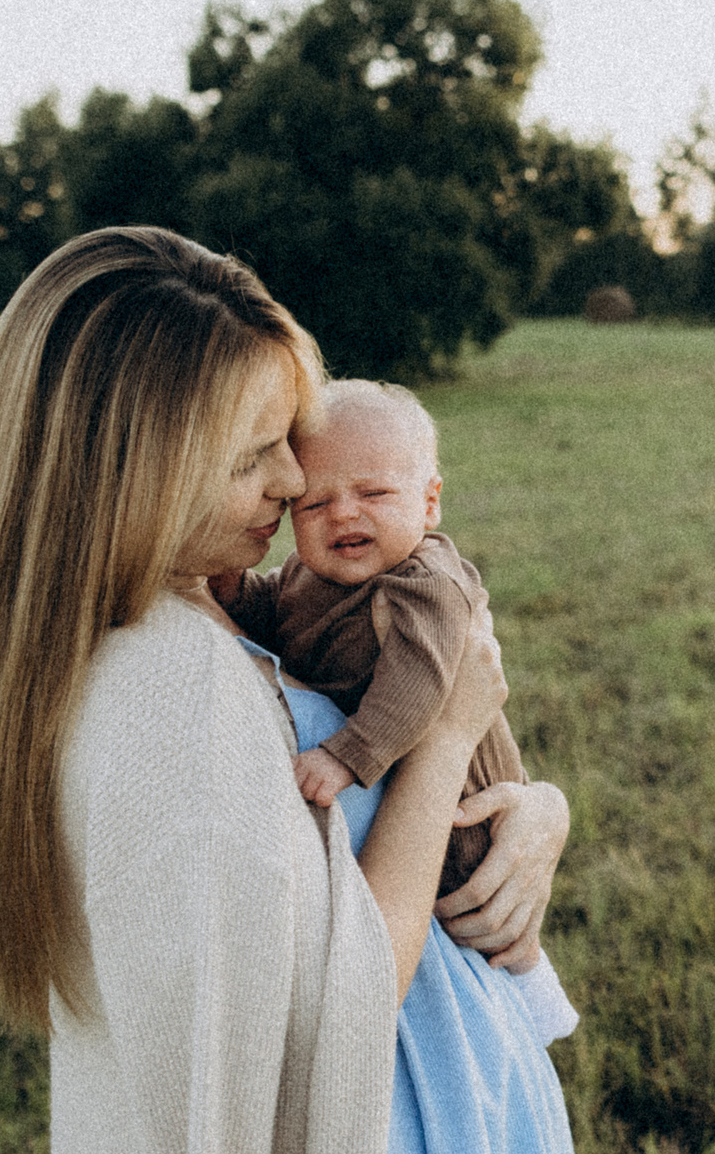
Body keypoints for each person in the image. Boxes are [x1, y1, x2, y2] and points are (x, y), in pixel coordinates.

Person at [0, 227, 646, 1154]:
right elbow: (323, 1061)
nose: (296, 478)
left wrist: (530, 802)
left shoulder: (204, 612)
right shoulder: (171, 708)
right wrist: (432, 749)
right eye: (256, 453)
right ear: (128, 466)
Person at [214, 380, 577, 1043]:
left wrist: (346, 755)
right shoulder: (307, 576)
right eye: (315, 501)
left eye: (374, 493)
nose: (343, 514)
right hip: (403, 812)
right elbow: (276, 614)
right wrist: (238, 593)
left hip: (463, 799)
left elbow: (419, 686)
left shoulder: (425, 583)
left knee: (485, 907)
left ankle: (534, 995)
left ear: (429, 501)